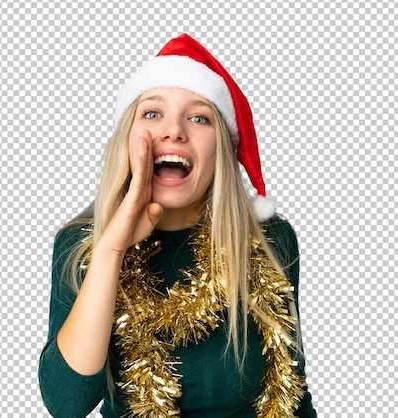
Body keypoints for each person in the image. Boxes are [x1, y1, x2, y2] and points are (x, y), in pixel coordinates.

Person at [38, 33, 317, 417]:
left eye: (199, 117)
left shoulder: (270, 239)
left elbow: (294, 394)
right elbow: (67, 404)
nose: (175, 131)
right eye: (153, 113)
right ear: (127, 138)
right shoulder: (81, 245)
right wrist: (109, 253)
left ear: (220, 147)